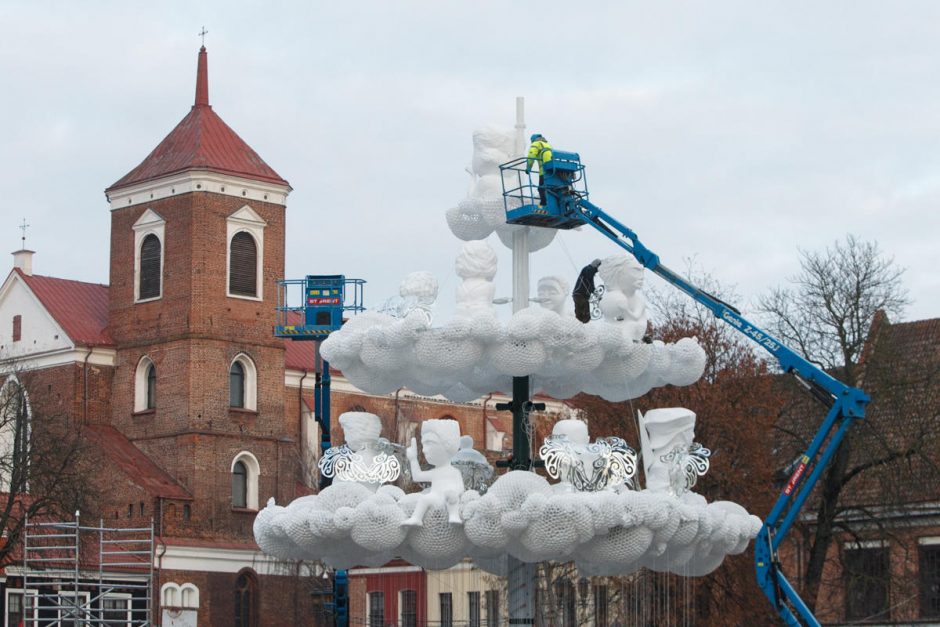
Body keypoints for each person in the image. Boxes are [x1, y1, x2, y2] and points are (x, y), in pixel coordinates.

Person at [525, 133, 553, 206]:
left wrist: (528, 168)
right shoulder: (548, 145)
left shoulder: (536, 144)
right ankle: (552, 204)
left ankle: (543, 204)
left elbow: (531, 156)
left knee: (541, 189)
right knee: (551, 189)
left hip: (544, 171)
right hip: (553, 170)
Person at [572, 259, 601, 323]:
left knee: (579, 311)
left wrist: (597, 295)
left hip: (578, 295)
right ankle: (584, 323)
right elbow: (589, 275)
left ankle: (578, 323)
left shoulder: (590, 274)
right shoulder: (588, 268)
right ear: (596, 266)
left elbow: (592, 287)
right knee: (585, 307)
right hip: (580, 294)